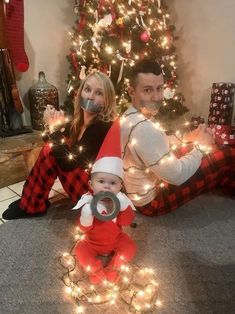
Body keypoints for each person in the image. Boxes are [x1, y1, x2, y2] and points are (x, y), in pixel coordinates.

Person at [121, 58, 235, 216]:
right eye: (147, 90)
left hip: (146, 182)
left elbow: (159, 142)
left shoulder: (132, 115)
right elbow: (177, 175)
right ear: (131, 91)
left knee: (205, 149)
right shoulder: (143, 128)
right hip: (152, 200)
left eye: (159, 88)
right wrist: (200, 147)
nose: (156, 97)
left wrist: (189, 138)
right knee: (227, 155)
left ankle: (223, 180)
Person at [2, 71, 117, 220]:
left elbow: (67, 163)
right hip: (88, 184)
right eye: (87, 89)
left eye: (99, 93)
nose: (90, 96)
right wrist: (53, 124)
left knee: (51, 151)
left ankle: (32, 204)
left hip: (99, 197)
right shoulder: (79, 122)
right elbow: (52, 142)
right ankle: (31, 201)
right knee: (51, 148)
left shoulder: (103, 126)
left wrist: (53, 129)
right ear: (80, 92)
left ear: (107, 100)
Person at [73, 120, 136, 285]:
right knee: (79, 250)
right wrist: (86, 216)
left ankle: (114, 267)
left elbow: (126, 221)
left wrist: (123, 207)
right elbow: (83, 228)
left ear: (120, 186)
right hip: (91, 242)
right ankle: (95, 268)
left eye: (113, 183)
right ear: (91, 184)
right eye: (101, 181)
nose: (107, 185)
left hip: (116, 239)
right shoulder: (89, 201)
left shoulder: (121, 201)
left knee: (130, 247)